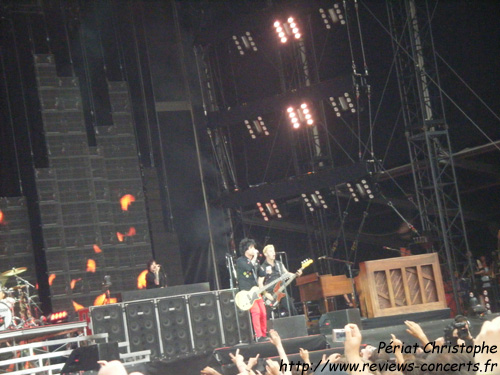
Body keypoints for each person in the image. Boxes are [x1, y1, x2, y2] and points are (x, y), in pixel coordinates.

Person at [235, 238, 268, 342]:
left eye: (254, 247)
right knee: (256, 312)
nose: (254, 249)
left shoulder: (255, 261)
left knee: (263, 312)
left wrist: (258, 263)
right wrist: (254, 260)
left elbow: (262, 273)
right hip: (247, 292)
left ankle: (263, 333)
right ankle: (258, 335)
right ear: (246, 249)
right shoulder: (240, 261)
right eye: (251, 248)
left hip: (256, 290)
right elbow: (249, 268)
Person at [258, 244, 301, 318]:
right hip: (270, 293)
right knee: (266, 315)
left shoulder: (279, 263)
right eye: (271, 251)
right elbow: (260, 283)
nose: (273, 253)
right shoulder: (263, 267)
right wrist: (266, 294)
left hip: (281, 290)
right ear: (265, 254)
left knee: (291, 307)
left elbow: (287, 274)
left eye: (274, 251)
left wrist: (296, 274)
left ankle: (298, 324)